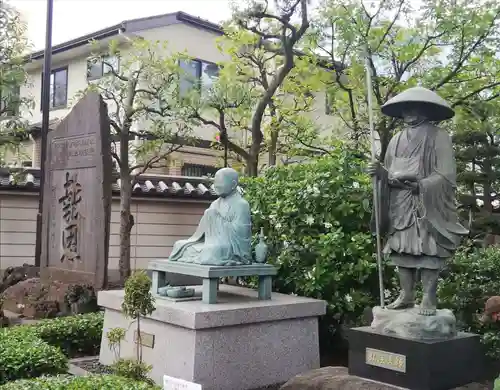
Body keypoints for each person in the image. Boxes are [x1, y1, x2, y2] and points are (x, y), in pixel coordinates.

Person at [367, 87, 469, 316]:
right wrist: (380, 174)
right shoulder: (395, 139)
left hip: (426, 202)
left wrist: (420, 184)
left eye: (415, 107)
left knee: (428, 249)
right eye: (406, 108)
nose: (410, 112)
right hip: (400, 201)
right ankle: (406, 295)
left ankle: (429, 297)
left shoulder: (438, 136)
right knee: (401, 247)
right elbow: (390, 173)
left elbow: (446, 175)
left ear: (426, 110)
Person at [168, 167, 252, 266]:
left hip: (230, 247)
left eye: (219, 182)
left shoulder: (241, 204)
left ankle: (207, 255)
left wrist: (217, 218)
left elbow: (242, 234)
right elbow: (202, 233)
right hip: (210, 242)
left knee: (213, 251)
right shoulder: (215, 204)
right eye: (215, 182)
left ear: (233, 184)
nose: (215, 186)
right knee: (180, 245)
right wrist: (211, 217)